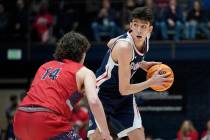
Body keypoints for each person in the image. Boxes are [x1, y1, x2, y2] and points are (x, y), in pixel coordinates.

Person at [88, 7, 172, 140]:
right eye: (136, 25)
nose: (139, 30)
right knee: (98, 137)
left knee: (138, 136)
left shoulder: (145, 39)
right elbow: (124, 89)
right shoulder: (124, 47)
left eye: (143, 26)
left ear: (149, 29)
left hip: (123, 98)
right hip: (104, 94)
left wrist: (142, 64)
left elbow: (110, 43)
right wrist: (151, 82)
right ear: (131, 25)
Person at [13, 32, 112, 140]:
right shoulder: (84, 72)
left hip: (20, 118)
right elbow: (93, 101)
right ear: (82, 53)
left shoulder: (44, 66)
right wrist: (106, 133)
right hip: (47, 120)